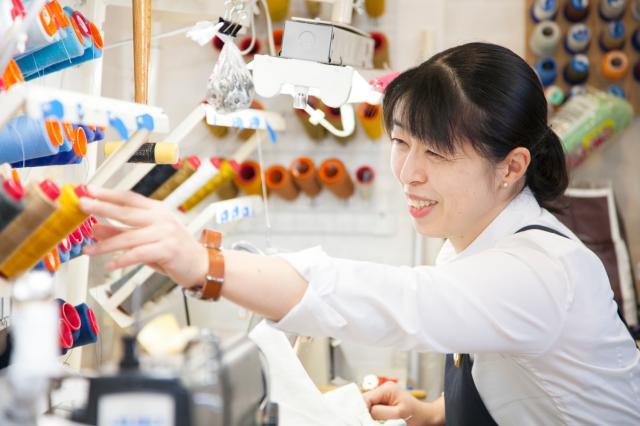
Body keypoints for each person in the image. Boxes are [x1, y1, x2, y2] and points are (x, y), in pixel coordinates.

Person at [79, 42, 640, 425]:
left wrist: (202, 264)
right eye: (401, 142)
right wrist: (439, 411)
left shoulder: (540, 271)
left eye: (437, 153)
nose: (408, 173)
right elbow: (529, 376)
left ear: (512, 166)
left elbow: (395, 301)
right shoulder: (479, 234)